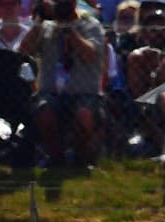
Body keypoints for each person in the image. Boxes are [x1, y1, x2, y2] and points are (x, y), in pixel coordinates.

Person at [18, 0, 106, 167]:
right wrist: (39, 22)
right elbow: (23, 51)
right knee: (44, 110)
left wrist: (68, 28)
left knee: (84, 115)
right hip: (51, 92)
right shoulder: (46, 27)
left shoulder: (90, 25)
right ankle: (56, 158)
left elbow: (90, 54)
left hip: (84, 92)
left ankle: (80, 159)